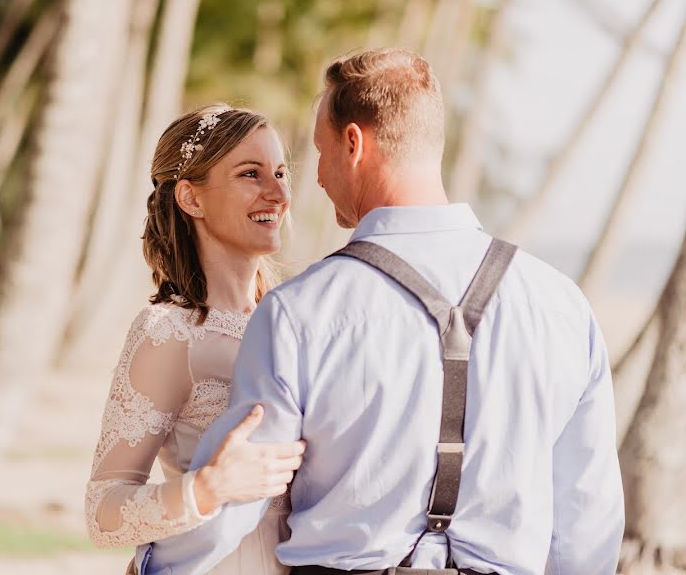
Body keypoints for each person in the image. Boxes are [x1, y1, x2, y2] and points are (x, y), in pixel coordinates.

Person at [141, 49, 624, 575]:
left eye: (322, 153)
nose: (317, 180)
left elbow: (241, 491)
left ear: (354, 144)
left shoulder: (298, 312)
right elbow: (585, 520)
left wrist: (152, 563)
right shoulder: (562, 305)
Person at [85, 104, 305, 574]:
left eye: (281, 172)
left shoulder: (294, 320)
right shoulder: (169, 333)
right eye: (251, 174)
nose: (278, 193)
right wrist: (207, 489)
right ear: (191, 198)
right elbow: (102, 511)